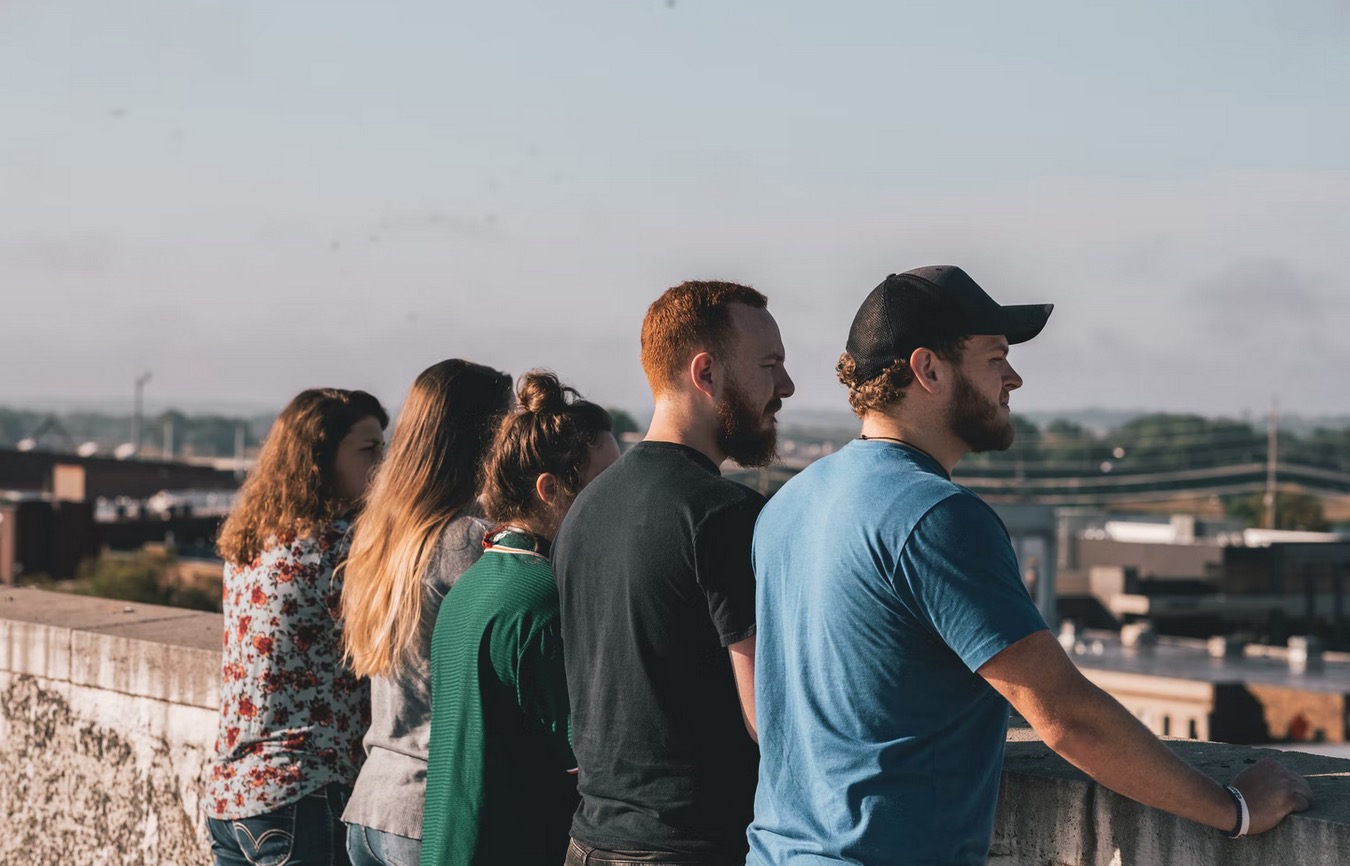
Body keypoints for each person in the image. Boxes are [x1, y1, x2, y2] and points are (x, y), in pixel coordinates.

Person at [748, 265, 1314, 865]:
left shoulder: (786, 506)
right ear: (929, 369)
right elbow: (1066, 717)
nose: (1014, 378)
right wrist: (1235, 808)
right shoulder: (936, 515)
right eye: (995, 358)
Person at [553, 280, 795, 866]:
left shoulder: (586, 506)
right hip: (687, 846)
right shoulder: (726, 516)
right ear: (706, 373)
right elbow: (770, 717)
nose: (786, 387)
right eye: (770, 366)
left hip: (588, 841)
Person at [421, 370, 621, 866]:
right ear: (550, 489)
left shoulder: (471, 584)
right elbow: (591, 752)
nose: (617, 503)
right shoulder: (545, 597)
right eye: (604, 487)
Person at [338, 359, 514, 866]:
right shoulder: (466, 538)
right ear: (481, 436)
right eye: (509, 423)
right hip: (430, 814)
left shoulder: (382, 533)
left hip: (373, 804)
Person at [206, 387, 389, 866]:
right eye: (369, 448)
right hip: (302, 794)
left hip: (232, 797)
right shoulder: (337, 548)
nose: (384, 461)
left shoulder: (251, 540)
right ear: (321, 458)